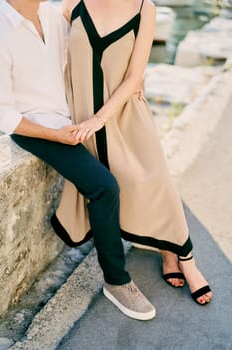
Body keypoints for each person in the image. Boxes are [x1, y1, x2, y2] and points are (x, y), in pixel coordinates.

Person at [0, 0, 157, 320]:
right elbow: (4, 113)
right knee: (104, 186)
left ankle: (165, 245)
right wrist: (53, 134)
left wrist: (134, 78)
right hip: (37, 127)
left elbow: (96, 48)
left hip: (77, 115)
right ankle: (116, 280)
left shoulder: (54, 15)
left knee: (144, 166)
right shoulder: (2, 28)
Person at [61, 0, 213, 306]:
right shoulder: (71, 5)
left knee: (155, 182)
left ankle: (184, 257)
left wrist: (99, 118)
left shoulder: (145, 8)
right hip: (83, 122)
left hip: (124, 115)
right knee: (120, 186)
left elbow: (134, 76)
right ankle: (165, 249)